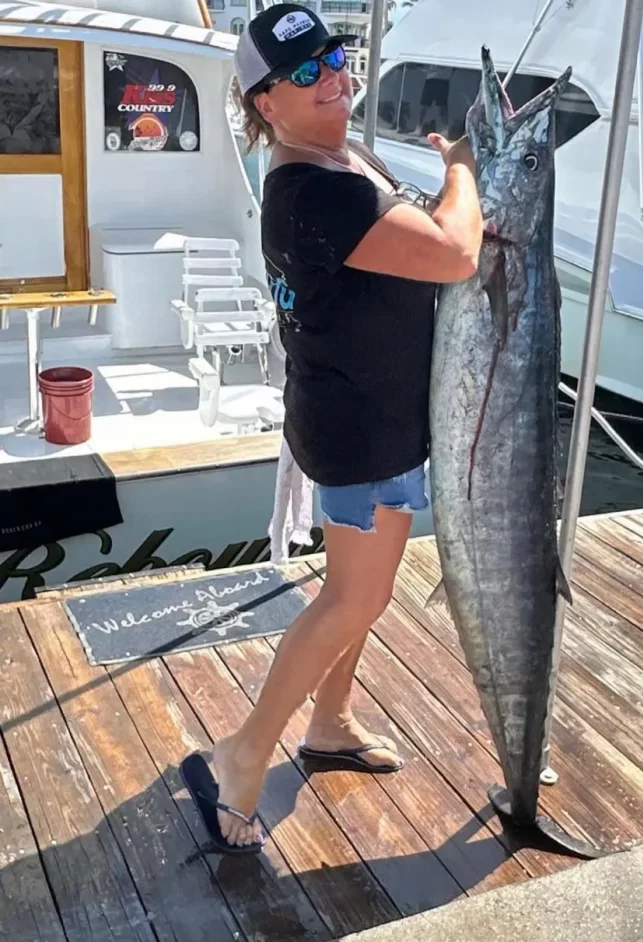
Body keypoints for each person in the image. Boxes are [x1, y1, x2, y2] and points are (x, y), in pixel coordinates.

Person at [181, 3, 482, 851]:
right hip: (359, 428)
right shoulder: (314, 189)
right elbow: (453, 256)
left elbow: (422, 246)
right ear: (264, 104)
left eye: (335, 57)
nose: (333, 79)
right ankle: (244, 754)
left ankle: (331, 721)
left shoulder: (335, 160)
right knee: (357, 596)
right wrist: (462, 171)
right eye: (304, 74)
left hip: (363, 411)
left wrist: (442, 219)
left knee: (358, 593)